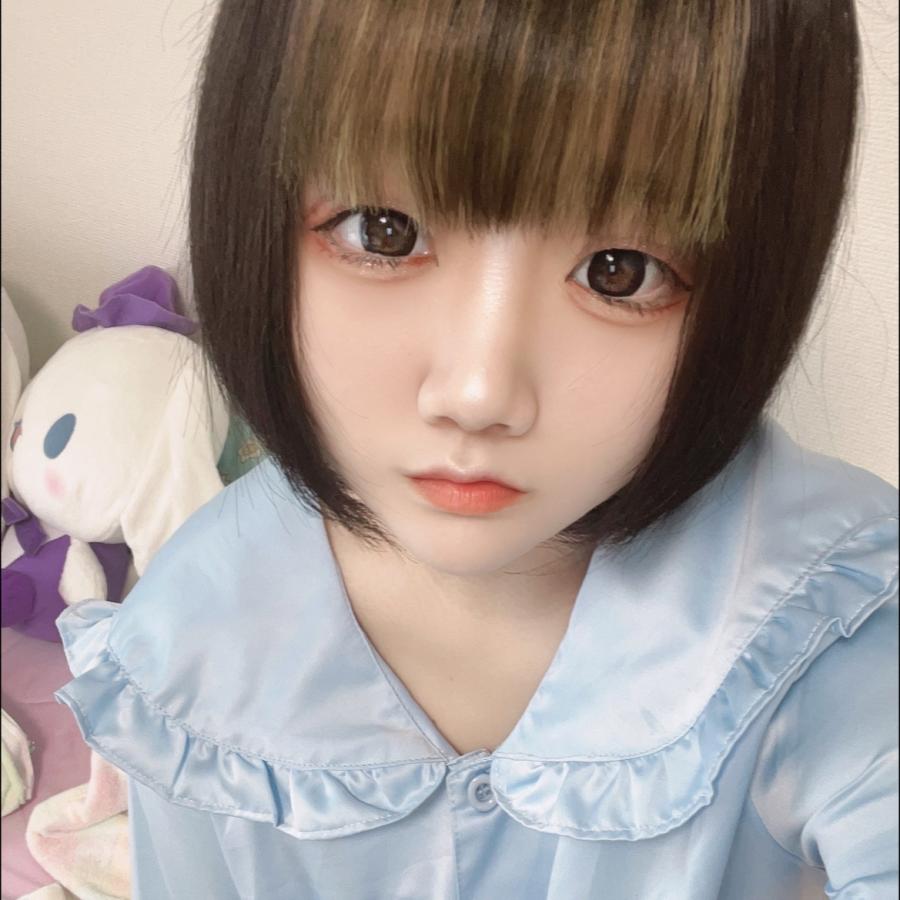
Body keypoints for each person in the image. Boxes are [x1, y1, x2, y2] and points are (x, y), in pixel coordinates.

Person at [54, 1, 898, 897]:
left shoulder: (824, 615)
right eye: (383, 230)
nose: (478, 393)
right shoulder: (185, 653)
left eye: (620, 272)